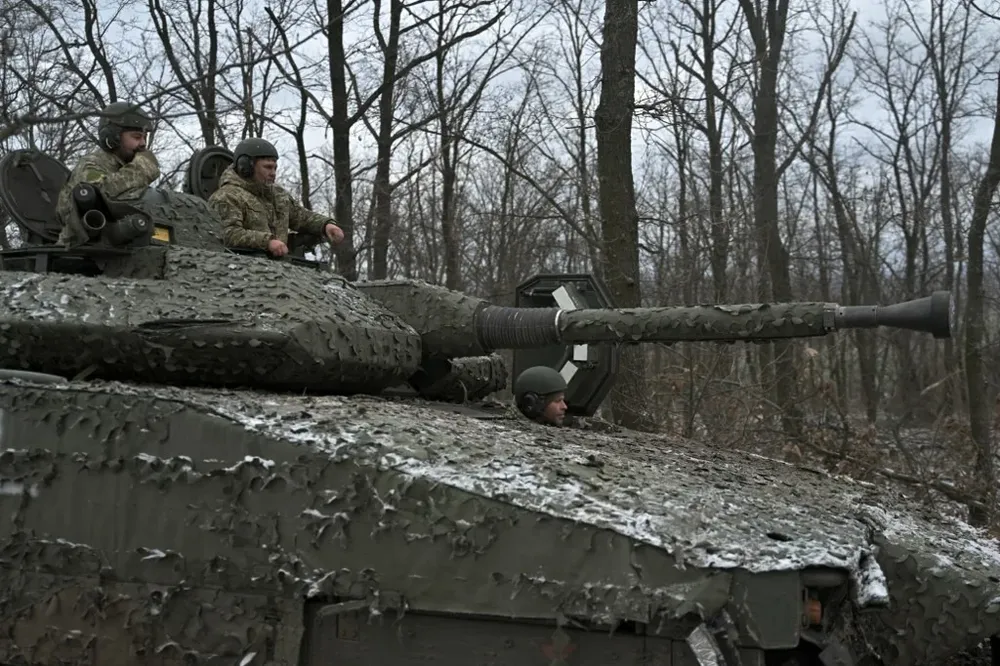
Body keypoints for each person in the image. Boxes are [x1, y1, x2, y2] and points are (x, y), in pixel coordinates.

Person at [207, 137, 344, 257]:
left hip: (278, 270)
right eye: (268, 167)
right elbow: (227, 234)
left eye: (275, 168)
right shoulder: (226, 197)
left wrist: (326, 225)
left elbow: (300, 216)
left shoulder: (277, 195)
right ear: (245, 167)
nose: (273, 173)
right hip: (243, 271)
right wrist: (267, 242)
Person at [55, 101, 160, 246]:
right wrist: (142, 169)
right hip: (83, 252)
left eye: (144, 137)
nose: (143, 143)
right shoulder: (92, 163)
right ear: (113, 137)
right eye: (136, 137)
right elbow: (98, 192)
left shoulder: (126, 167)